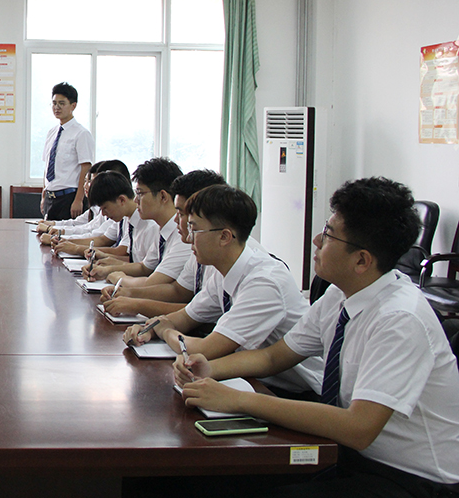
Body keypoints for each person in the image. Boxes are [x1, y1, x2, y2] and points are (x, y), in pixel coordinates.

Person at [176, 177, 459, 496]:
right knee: (214, 478)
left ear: (361, 260)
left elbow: (359, 428)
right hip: (349, 454)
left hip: (411, 477)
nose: (316, 240)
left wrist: (240, 399)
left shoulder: (399, 319)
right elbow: (274, 356)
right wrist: (209, 369)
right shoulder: (340, 294)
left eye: (328, 234)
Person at [127, 184, 321, 398]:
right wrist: (148, 329)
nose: (189, 237)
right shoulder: (224, 271)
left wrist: (165, 331)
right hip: (254, 378)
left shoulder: (264, 282)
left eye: (195, 229)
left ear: (224, 237)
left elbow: (204, 349)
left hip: (297, 392)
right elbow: (185, 317)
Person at [100, 169, 226, 318]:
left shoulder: (191, 243)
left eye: (182, 214)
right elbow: (178, 291)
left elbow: (197, 313)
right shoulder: (193, 243)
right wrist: (128, 293)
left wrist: (136, 302)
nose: (176, 219)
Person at [85, 157, 190, 286]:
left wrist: (118, 278)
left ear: (163, 196)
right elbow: (144, 267)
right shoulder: (162, 231)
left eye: (140, 194)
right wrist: (107, 270)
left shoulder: (181, 235)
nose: (135, 200)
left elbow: (153, 283)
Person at [40, 82, 94, 221]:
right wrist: (44, 195)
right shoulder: (51, 133)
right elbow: (47, 166)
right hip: (50, 198)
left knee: (65, 234)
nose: (56, 107)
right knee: (46, 232)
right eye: (54, 103)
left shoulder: (81, 133)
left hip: (69, 198)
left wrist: (79, 200)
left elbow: (86, 168)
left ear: (73, 106)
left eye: (61, 103)